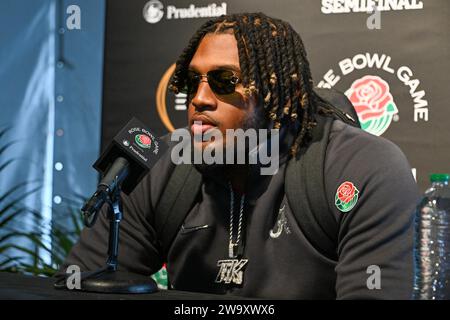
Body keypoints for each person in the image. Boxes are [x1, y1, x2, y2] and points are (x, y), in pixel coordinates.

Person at [59, 12, 420, 299]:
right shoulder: (162, 165)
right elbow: (84, 283)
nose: (198, 98)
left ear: (275, 94)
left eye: (224, 81)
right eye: (192, 81)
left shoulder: (360, 167)